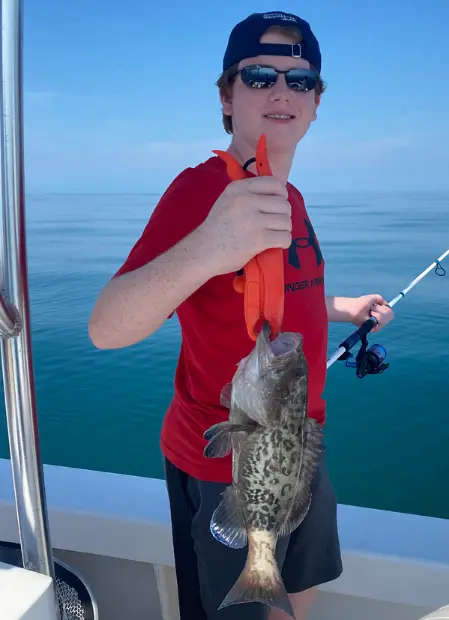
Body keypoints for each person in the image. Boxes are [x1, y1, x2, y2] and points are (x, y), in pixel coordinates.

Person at [88, 10, 394, 620]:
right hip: (223, 463)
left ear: (315, 103)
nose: (281, 90)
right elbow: (106, 328)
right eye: (258, 76)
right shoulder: (200, 192)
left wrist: (344, 309)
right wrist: (208, 246)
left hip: (301, 441)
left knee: (292, 599)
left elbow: (286, 298)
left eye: (299, 79)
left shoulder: (291, 197)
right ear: (227, 98)